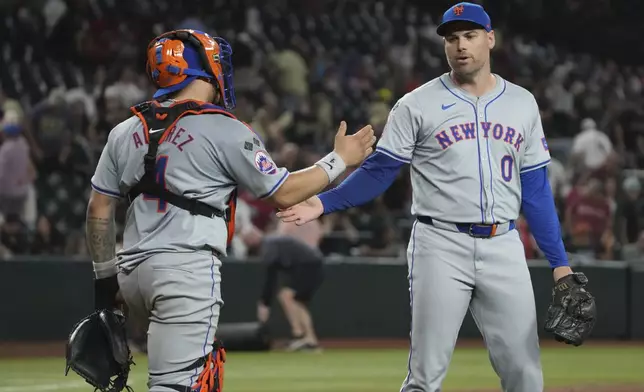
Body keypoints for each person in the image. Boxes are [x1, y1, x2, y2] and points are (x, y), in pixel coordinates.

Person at [277, 4, 596, 392]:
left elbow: (536, 190)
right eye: (452, 38)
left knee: (525, 373)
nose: (461, 45)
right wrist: (325, 202)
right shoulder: (416, 103)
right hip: (440, 244)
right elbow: (380, 170)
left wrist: (560, 264)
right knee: (425, 375)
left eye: (470, 35)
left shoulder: (522, 103)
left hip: (504, 244)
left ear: (490, 38)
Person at [86, 29, 374, 392]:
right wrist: (339, 161)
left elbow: (99, 207)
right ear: (202, 71)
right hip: (184, 271)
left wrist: (105, 282)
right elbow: (284, 193)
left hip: (130, 274)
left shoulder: (125, 130)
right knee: (180, 386)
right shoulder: (223, 128)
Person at [256, 219, 325, 352]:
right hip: (311, 264)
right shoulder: (277, 242)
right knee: (293, 299)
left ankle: (303, 336)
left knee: (289, 297)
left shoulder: (273, 241)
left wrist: (265, 303)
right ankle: (307, 338)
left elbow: (271, 277)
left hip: (308, 265)